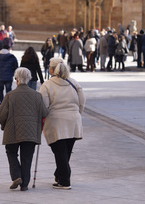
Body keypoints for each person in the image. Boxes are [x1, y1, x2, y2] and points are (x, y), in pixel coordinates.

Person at [0, 67, 48, 191]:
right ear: (29, 79)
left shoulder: (10, 95)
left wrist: (3, 125)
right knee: (27, 157)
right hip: (30, 132)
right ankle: (24, 183)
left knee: (11, 151)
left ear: (16, 79)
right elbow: (44, 112)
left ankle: (16, 176)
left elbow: (2, 113)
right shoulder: (37, 95)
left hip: (12, 130)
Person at [39, 57, 85, 190]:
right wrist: (77, 113)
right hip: (73, 121)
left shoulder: (47, 85)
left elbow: (44, 106)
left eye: (49, 66)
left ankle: (65, 181)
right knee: (66, 152)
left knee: (60, 152)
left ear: (53, 69)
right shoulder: (74, 83)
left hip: (56, 122)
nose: (48, 68)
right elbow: (82, 102)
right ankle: (59, 175)